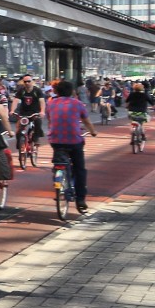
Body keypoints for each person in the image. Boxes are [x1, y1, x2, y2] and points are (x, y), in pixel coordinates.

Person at [45, 78, 99, 214]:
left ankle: (58, 178)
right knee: (79, 169)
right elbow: (86, 120)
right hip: (74, 140)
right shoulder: (77, 103)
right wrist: (93, 132)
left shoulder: (50, 103)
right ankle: (80, 199)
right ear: (71, 92)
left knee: (59, 160)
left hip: (56, 140)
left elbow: (50, 119)